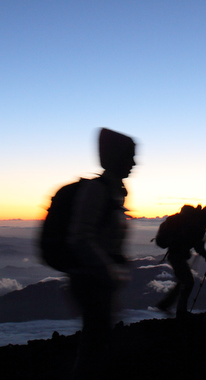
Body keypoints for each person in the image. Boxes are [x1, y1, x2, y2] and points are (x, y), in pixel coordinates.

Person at [67, 128, 136, 379]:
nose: (134, 162)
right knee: (94, 346)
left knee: (96, 342)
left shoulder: (113, 192)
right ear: (116, 157)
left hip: (97, 280)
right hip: (91, 281)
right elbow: (81, 237)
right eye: (130, 156)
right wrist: (108, 269)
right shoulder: (98, 191)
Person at [155, 204, 206, 317]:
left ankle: (165, 305)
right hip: (177, 255)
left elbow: (195, 243)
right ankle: (180, 311)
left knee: (183, 281)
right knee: (188, 281)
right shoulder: (196, 223)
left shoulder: (192, 221)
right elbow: (197, 244)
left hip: (175, 255)